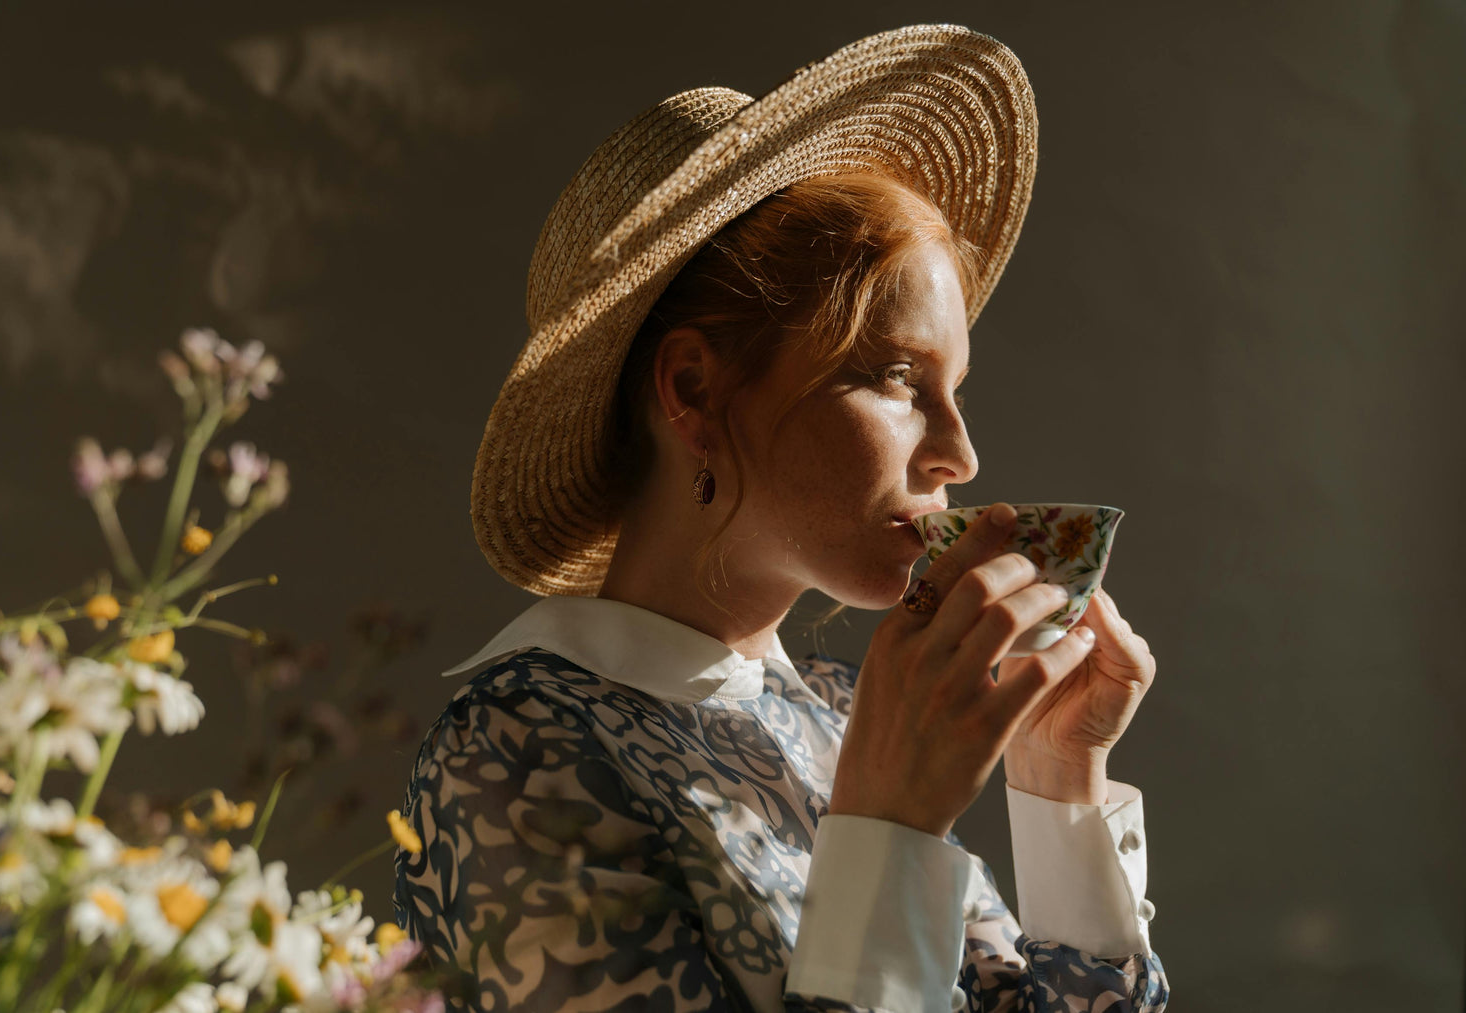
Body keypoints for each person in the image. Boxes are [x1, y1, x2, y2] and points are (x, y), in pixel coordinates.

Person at [392, 24, 1169, 1012]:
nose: (958, 457)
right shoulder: (512, 747)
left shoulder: (844, 717)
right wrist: (887, 826)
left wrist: (1058, 785)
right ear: (692, 389)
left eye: (954, 386)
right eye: (895, 375)